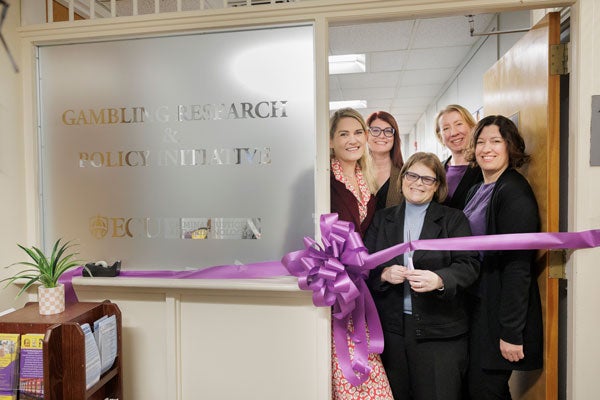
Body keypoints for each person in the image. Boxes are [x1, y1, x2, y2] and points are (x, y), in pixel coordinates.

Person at [365, 152, 480, 400]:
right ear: (403, 178)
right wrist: (383, 274)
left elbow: (469, 265)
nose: (418, 183)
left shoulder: (454, 219)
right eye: (412, 175)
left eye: (427, 179)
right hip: (392, 332)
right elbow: (364, 266)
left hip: (440, 333)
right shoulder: (383, 219)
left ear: (437, 185)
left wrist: (440, 279)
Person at [462, 115, 543, 399]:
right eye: (481, 142)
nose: (487, 148)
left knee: (487, 390)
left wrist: (510, 332)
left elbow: (518, 267)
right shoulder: (478, 189)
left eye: (496, 141)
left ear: (510, 147)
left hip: (497, 312)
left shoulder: (514, 192)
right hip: (478, 306)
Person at [329, 107, 393, 399]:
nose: (352, 140)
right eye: (343, 133)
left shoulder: (369, 178)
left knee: (366, 363)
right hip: (333, 287)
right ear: (331, 141)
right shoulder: (323, 178)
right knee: (339, 367)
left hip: (362, 285)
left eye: (357, 132)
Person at [434, 104, 483, 209]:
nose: (453, 133)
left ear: (471, 127)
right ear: (440, 136)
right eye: (446, 128)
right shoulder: (436, 169)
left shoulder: (483, 167)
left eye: (459, 124)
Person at [366, 111, 405, 210]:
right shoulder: (354, 172)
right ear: (366, 135)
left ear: (394, 137)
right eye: (375, 130)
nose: (382, 136)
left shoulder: (405, 175)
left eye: (388, 131)